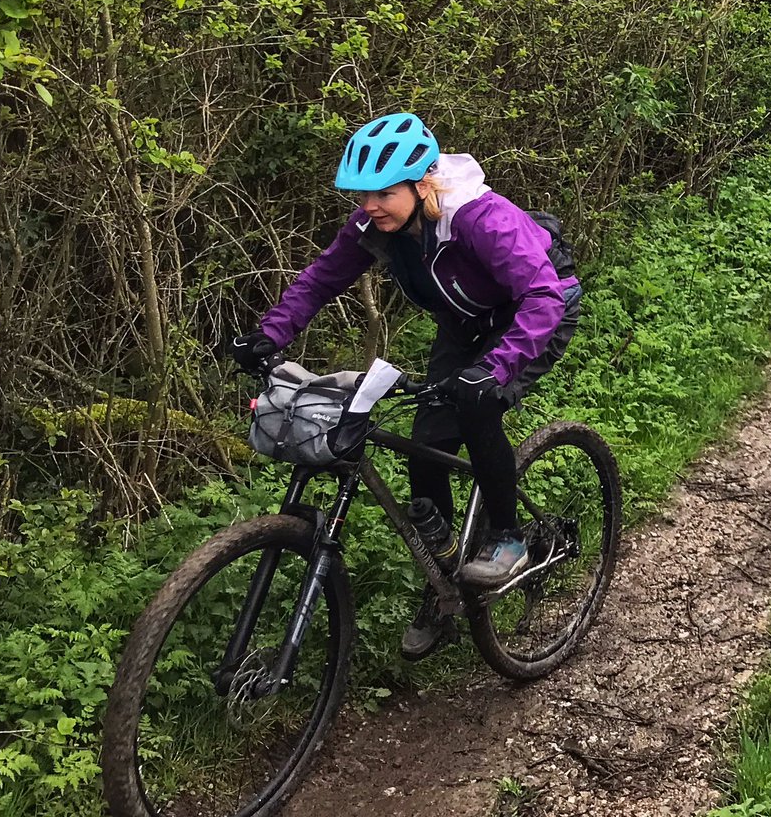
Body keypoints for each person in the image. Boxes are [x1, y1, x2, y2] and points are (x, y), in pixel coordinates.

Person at [228, 112, 581, 659]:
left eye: (382, 193)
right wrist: (268, 335)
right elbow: (323, 278)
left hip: (535, 312)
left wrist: (496, 369)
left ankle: (508, 538)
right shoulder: (374, 227)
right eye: (361, 194)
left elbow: (542, 296)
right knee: (427, 446)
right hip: (466, 324)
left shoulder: (479, 218)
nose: (368, 205)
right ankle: (444, 585)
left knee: (477, 408)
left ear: (423, 185)